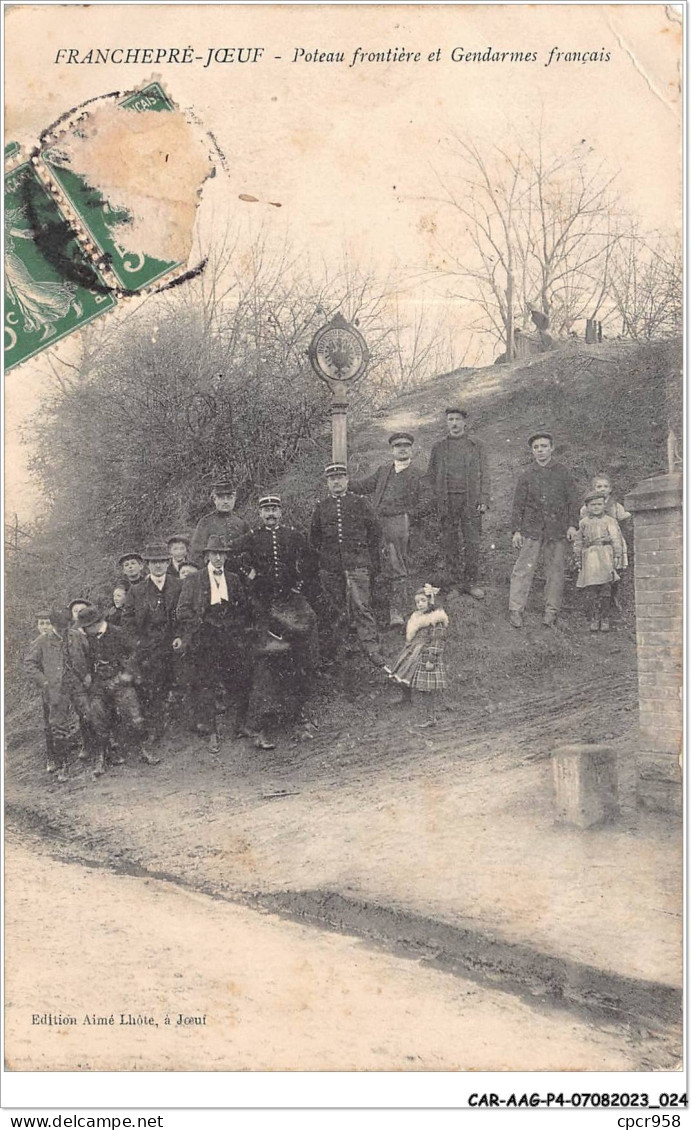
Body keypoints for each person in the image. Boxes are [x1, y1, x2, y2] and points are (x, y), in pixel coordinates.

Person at [230, 495, 319, 749]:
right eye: (266, 510)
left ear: (281, 512)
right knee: (268, 661)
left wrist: (301, 581)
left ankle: (298, 715)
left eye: (274, 509)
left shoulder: (293, 535)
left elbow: (312, 558)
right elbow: (230, 553)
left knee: (300, 653)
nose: (270, 514)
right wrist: (249, 573)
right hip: (264, 603)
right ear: (260, 514)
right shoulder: (253, 537)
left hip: (290, 600)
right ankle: (260, 725)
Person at [175, 534, 253, 753]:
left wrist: (234, 626)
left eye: (222, 554)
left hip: (230, 637)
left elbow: (243, 608)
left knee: (237, 681)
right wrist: (200, 624)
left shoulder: (234, 579)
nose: (218, 558)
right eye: (214, 554)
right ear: (207, 555)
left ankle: (238, 726)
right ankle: (212, 733)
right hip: (204, 639)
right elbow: (182, 610)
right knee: (207, 685)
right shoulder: (194, 579)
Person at [310, 463, 385, 668]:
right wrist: (326, 561)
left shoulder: (360, 503)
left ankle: (371, 647)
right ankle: (340, 648)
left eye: (340, 477)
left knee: (362, 605)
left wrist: (368, 561)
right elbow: (314, 539)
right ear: (327, 483)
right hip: (331, 567)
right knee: (336, 608)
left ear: (346, 480)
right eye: (332, 479)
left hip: (357, 564)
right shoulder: (322, 507)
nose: (336, 482)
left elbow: (374, 533)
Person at [350, 432, 427, 627]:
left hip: (398, 523)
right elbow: (363, 486)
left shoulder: (419, 474)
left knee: (396, 565)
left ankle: (397, 612)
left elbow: (427, 501)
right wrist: (343, 482)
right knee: (373, 563)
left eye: (406, 446)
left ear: (411, 450)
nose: (402, 449)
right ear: (392, 450)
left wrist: (409, 516)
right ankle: (371, 609)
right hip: (376, 523)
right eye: (398, 446)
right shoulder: (384, 470)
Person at [508, 431, 580, 628]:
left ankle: (551, 611)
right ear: (532, 451)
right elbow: (518, 505)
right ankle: (516, 609)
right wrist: (516, 530)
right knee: (523, 569)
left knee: (555, 571)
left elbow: (573, 501)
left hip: (556, 529)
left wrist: (572, 525)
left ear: (551, 448)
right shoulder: (526, 476)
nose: (540, 451)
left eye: (544, 446)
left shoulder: (562, 472)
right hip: (531, 529)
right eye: (536, 448)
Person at [72, 604, 147, 778]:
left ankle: (143, 750)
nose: (84, 630)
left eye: (86, 627)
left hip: (120, 681)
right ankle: (101, 757)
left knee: (134, 716)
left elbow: (136, 653)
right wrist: (87, 675)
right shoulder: (86, 639)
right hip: (98, 685)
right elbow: (80, 660)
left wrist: (127, 673)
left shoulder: (118, 633)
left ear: (96, 623)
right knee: (97, 719)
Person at [121, 543, 181, 755]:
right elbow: (127, 620)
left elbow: (187, 613)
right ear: (147, 565)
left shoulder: (178, 584)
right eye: (154, 562)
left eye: (162, 562)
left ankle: (183, 728)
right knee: (153, 688)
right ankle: (155, 730)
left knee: (180, 681)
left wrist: (180, 636)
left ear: (167, 563)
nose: (158, 566)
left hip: (173, 644)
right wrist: (137, 643)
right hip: (149, 648)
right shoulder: (137, 591)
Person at [425, 407, 490, 600]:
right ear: (447, 423)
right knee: (449, 543)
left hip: (471, 501)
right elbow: (431, 475)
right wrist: (436, 498)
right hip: (447, 502)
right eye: (450, 419)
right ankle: (453, 585)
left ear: (464, 422)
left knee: (472, 542)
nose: (454, 423)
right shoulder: (439, 447)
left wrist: (484, 499)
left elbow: (485, 475)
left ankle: (470, 583)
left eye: (457, 419)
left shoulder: (476, 445)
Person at [388, 584, 448, 726]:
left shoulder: (435, 619)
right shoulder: (416, 617)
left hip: (426, 654)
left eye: (423, 601)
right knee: (404, 674)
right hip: (414, 652)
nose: (420, 604)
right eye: (417, 602)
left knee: (426, 687)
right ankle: (407, 699)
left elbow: (437, 641)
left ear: (430, 601)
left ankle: (430, 718)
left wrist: (431, 659)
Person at [24, 609, 72, 781]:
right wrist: (44, 682)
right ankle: (61, 763)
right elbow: (30, 665)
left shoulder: (72, 636)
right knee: (56, 725)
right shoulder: (41, 641)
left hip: (74, 685)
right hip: (54, 689)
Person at [574, 491, 625, 632]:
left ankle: (605, 618)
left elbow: (616, 539)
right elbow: (578, 541)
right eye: (592, 505)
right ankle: (594, 618)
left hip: (605, 556)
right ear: (587, 506)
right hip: (590, 557)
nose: (596, 507)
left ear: (604, 505)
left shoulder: (610, 521)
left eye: (599, 504)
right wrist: (578, 559)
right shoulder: (583, 522)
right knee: (592, 589)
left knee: (605, 589)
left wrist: (617, 556)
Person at [581, 473, 631, 611]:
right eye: (599, 486)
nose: (602, 489)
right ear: (593, 488)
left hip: (612, 541)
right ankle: (597, 602)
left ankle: (613, 597)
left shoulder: (615, 506)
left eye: (605, 486)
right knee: (596, 571)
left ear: (610, 488)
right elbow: (584, 521)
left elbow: (624, 515)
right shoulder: (589, 506)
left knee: (614, 569)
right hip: (596, 544)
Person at [190, 480, 251, 568]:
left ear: (234, 499)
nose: (226, 501)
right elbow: (196, 553)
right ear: (215, 499)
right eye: (222, 498)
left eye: (229, 498)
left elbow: (250, 550)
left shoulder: (242, 523)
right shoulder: (205, 522)